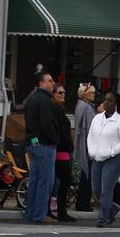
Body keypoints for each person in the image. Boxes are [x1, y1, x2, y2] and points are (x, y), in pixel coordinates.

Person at [87, 92, 120, 227]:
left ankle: (102, 218)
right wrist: (92, 151)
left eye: (110, 101)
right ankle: (111, 207)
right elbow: (90, 135)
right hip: (97, 157)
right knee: (96, 189)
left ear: (116, 104)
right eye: (105, 100)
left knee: (106, 188)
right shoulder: (97, 118)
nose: (106, 103)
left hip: (114, 159)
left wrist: (113, 152)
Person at [24, 70, 59, 223]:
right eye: (50, 81)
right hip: (45, 145)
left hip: (33, 143)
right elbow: (47, 123)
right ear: (42, 83)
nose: (53, 83)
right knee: (45, 182)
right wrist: (55, 139)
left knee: (34, 181)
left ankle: (30, 214)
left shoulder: (31, 99)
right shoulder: (45, 100)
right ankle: (39, 216)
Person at [50, 84, 76, 222]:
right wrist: (68, 144)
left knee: (61, 180)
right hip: (61, 150)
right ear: (53, 94)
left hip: (62, 149)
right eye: (59, 92)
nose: (62, 94)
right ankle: (61, 211)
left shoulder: (59, 110)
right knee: (65, 180)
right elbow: (61, 131)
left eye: (64, 92)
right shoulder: (56, 110)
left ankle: (61, 210)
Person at [73, 82, 97, 211]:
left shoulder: (79, 106)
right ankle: (83, 203)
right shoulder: (87, 108)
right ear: (85, 94)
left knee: (84, 174)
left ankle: (81, 202)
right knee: (87, 175)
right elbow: (91, 127)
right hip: (88, 143)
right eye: (91, 92)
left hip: (82, 141)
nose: (93, 94)